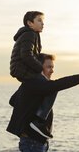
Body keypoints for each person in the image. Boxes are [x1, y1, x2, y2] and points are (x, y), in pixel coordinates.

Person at [9, 11, 57, 139]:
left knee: (39, 87)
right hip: (22, 69)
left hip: (23, 70)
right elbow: (26, 55)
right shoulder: (29, 34)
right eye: (39, 20)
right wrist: (40, 69)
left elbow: (32, 55)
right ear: (30, 23)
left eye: (43, 21)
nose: (43, 23)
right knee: (51, 87)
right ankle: (38, 120)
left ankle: (15, 100)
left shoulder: (32, 34)